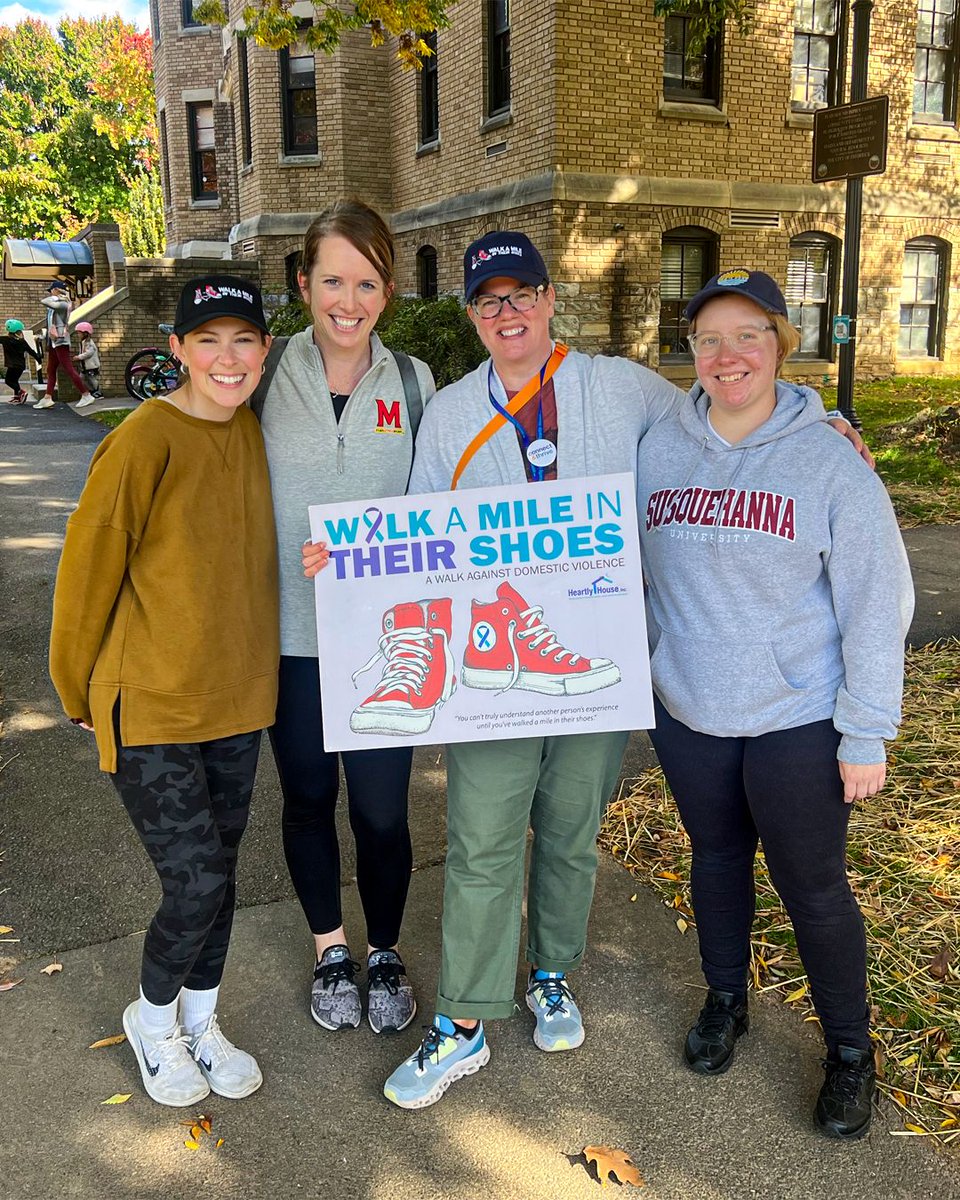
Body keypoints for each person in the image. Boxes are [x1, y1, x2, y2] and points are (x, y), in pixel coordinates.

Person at [635, 269, 913, 1140]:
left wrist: (867, 727)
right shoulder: (657, 448)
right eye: (709, 339)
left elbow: (878, 598)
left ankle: (850, 1052)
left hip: (799, 715)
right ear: (690, 354)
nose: (728, 355)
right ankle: (727, 1000)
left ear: (780, 343)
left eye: (748, 335)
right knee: (716, 859)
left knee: (813, 888)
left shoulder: (829, 457)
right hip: (690, 707)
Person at [49, 275, 279, 1108]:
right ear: (176, 349)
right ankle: (152, 1022)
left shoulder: (251, 435)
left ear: (262, 351)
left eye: (244, 340)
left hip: (236, 702)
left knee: (221, 873)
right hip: (146, 702)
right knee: (193, 881)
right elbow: (87, 571)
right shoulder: (144, 439)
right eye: (208, 340)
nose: (228, 357)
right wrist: (74, 688)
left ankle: (202, 1019)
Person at [257, 200, 435, 1035]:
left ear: (388, 291)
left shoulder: (413, 382)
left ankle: (387, 949)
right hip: (289, 638)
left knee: (382, 813)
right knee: (304, 798)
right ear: (304, 283)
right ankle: (331, 948)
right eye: (332, 278)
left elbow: (450, 508)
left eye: (366, 282)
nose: (348, 299)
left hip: (384, 641)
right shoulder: (261, 372)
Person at [35, 281, 95, 409]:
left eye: (51, 290)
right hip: (53, 340)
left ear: (56, 290)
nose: (50, 292)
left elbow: (44, 301)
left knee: (68, 369)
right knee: (50, 369)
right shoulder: (56, 305)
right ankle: (47, 397)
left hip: (60, 340)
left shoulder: (62, 304)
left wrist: (60, 295)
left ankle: (86, 394)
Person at [1, 318, 41, 403]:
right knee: (15, 381)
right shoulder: (22, 342)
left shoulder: (5, 340)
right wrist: (38, 359)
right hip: (20, 366)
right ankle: (17, 397)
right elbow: (31, 351)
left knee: (8, 381)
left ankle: (21, 392)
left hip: (12, 365)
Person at [73, 320, 104, 398]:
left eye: (79, 333)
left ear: (85, 333)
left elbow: (89, 353)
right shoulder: (83, 342)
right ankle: (91, 391)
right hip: (85, 366)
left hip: (91, 366)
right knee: (81, 379)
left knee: (92, 379)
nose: (78, 335)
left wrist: (79, 357)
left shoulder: (89, 343)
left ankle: (97, 392)